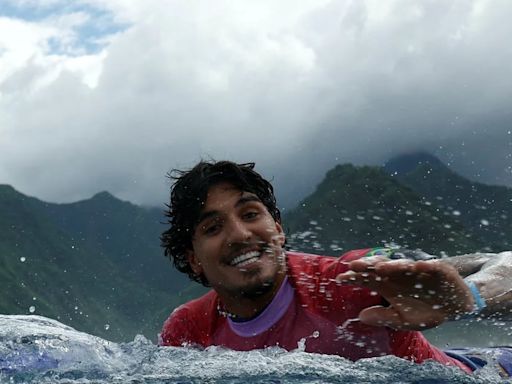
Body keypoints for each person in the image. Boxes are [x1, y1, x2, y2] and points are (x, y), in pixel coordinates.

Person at [159, 160, 512, 375]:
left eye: (251, 214)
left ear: (278, 229)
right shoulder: (188, 331)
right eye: (213, 228)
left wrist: (465, 299)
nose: (239, 234)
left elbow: (505, 264)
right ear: (194, 259)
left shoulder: (349, 279)